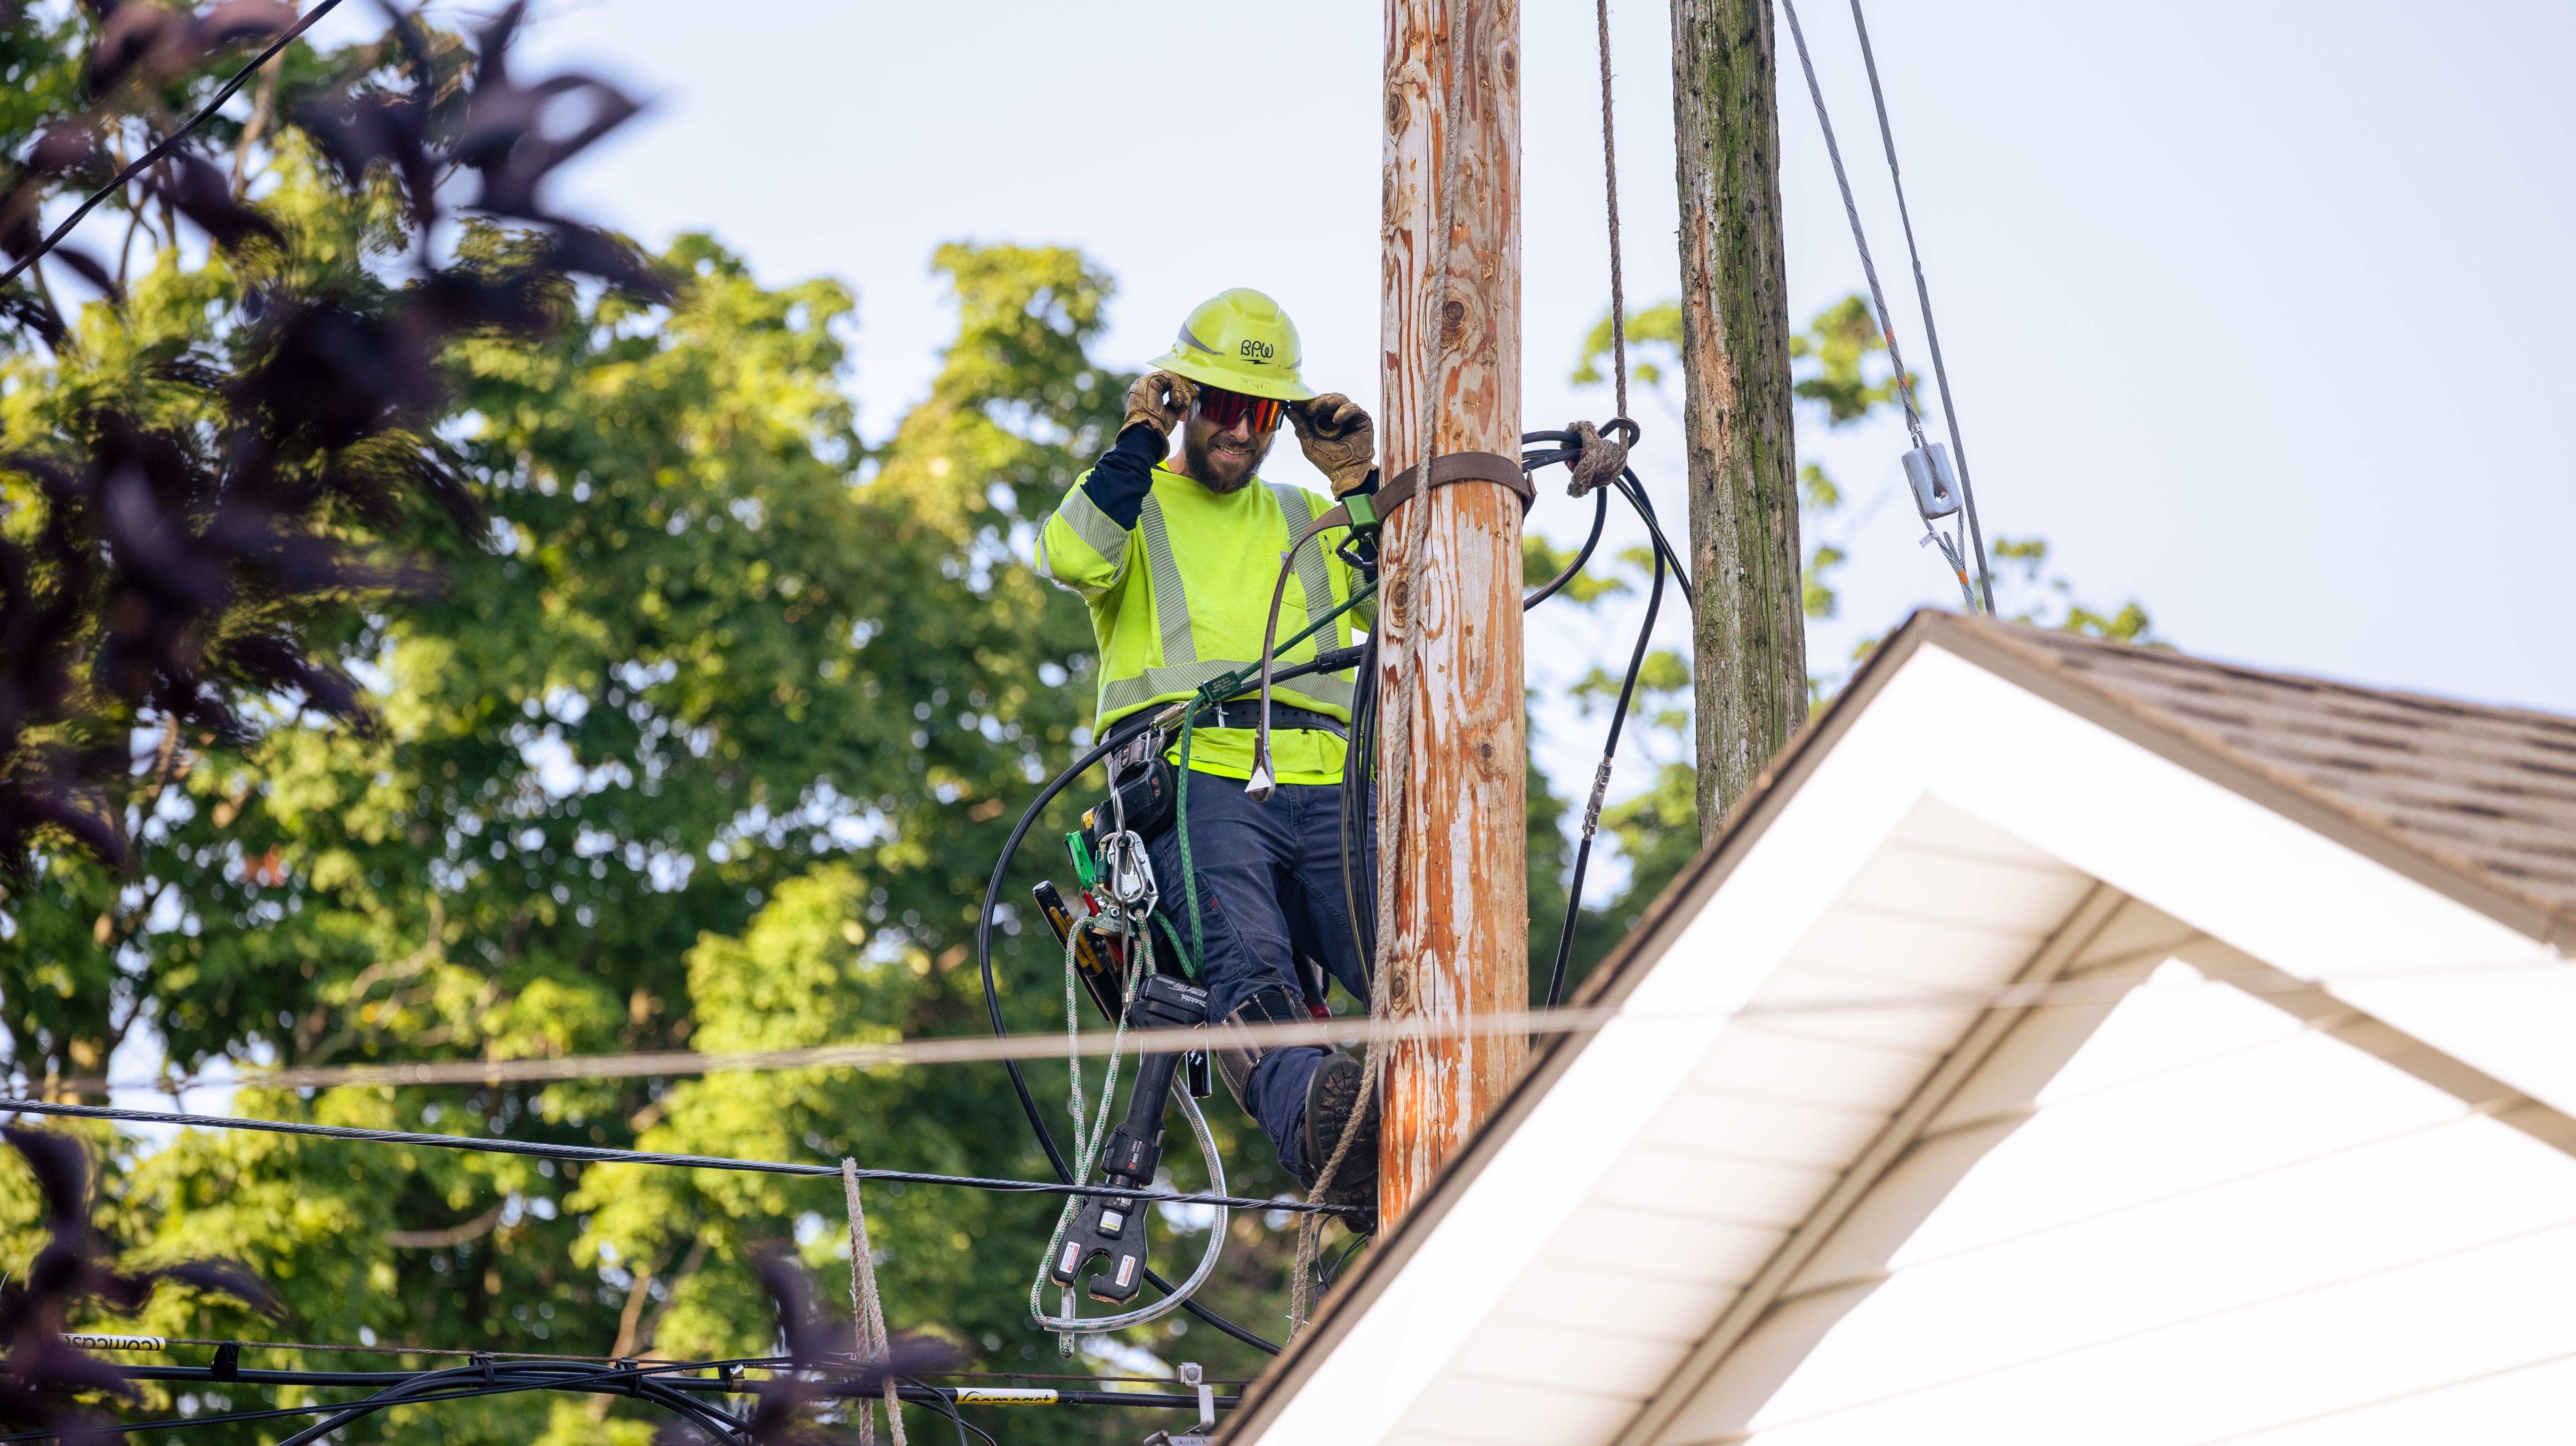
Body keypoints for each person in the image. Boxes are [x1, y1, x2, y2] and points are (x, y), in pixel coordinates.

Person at [1035, 288, 1383, 1215]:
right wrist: (1140, 438)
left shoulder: (1309, 512)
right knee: (1252, 973)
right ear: (1188, 402)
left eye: (1260, 413)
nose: (1240, 431)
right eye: (1221, 407)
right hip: (1194, 785)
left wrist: (1360, 485)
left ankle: (1461, 1129)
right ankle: (1327, 1131)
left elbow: (1423, 593)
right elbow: (1068, 554)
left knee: (1417, 966)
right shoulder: (1134, 503)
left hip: (1329, 788)